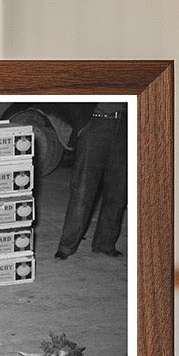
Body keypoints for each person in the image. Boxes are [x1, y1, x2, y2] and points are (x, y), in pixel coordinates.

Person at [54, 102, 127, 260]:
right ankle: (66, 246)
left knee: (118, 191)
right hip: (96, 124)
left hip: (124, 125)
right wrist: (82, 125)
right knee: (82, 190)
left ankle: (105, 244)